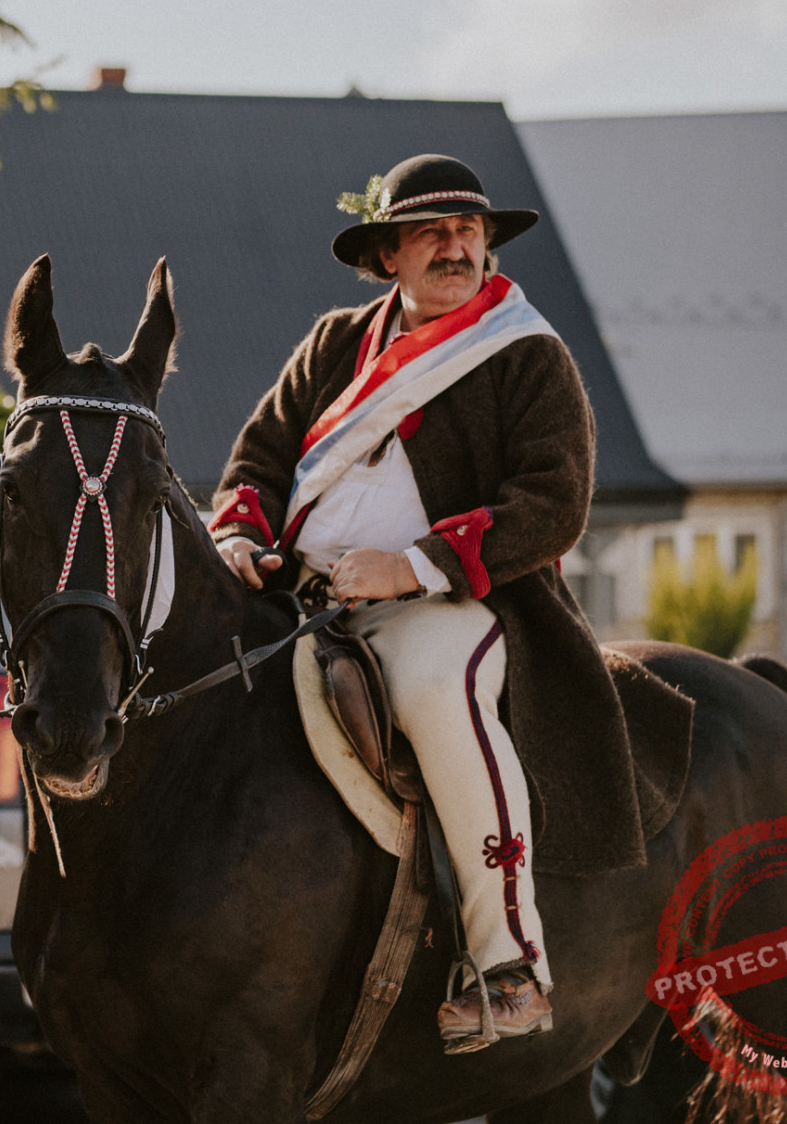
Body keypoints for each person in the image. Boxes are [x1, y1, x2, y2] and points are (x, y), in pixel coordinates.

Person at [210, 153, 636, 1052]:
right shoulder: (334, 345)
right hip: (298, 600)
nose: (455, 247)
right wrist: (239, 537)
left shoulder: (527, 353)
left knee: (437, 695)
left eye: (468, 231)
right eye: (431, 233)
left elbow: (555, 503)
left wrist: (412, 567)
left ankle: (508, 964)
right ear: (389, 256)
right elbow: (255, 460)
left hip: (448, 607)